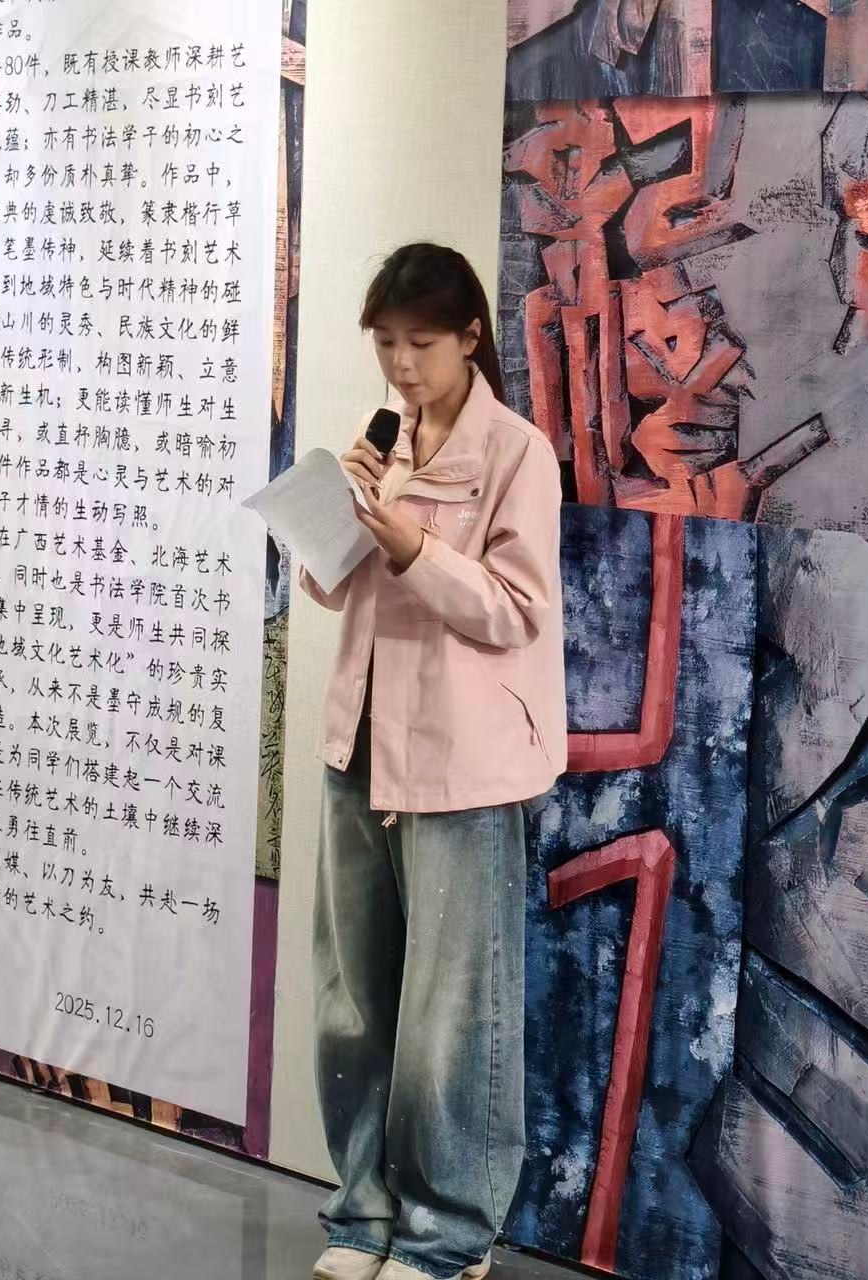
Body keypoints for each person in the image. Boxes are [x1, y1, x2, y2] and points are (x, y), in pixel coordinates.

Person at [298, 243, 566, 1280]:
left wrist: (411, 546)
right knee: (352, 997)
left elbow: (516, 610)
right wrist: (339, 512)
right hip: (359, 746)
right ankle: (362, 1212)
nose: (400, 365)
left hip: (462, 764)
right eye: (384, 343)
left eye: (419, 343)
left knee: (453, 1012)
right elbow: (330, 587)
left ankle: (449, 1234)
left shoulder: (516, 453)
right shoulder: (386, 442)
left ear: (468, 337)